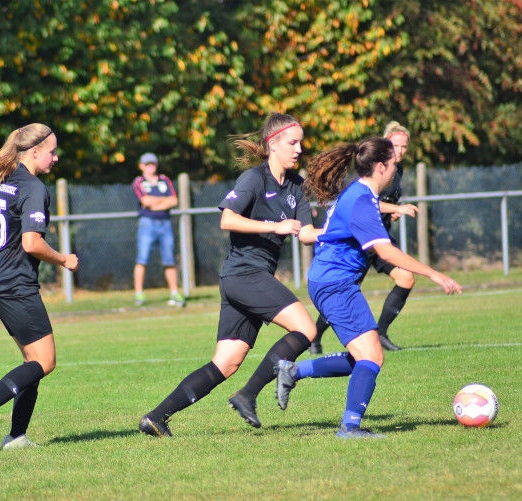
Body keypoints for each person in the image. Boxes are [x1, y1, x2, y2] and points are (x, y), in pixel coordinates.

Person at [138, 112, 317, 437]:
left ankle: (156, 417)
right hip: (243, 274)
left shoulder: (296, 186)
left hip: (250, 279)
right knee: (306, 328)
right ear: (272, 144)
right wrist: (274, 226)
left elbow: (305, 233)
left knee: (227, 362)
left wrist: (338, 231)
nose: (299, 149)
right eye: (293, 142)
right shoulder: (254, 178)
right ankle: (248, 395)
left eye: (301, 142)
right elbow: (227, 220)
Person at [275, 137, 462, 438]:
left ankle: (294, 371)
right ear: (380, 167)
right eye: (393, 163)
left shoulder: (360, 192)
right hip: (335, 283)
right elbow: (386, 252)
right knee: (372, 357)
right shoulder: (362, 201)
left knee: (364, 355)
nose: (396, 167)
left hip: (331, 280)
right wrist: (434, 274)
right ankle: (350, 427)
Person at [0, 123, 79, 449]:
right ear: (36, 151)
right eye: (52, 151)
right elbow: (32, 243)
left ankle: (17, 436)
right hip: (15, 284)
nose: (56, 158)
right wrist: (64, 259)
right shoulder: (34, 188)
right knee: (45, 361)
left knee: (31, 360)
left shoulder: (7, 184)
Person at [309, 121, 418, 353]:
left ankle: (381, 333)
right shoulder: (371, 175)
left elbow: (382, 205)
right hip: (361, 242)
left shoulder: (396, 171)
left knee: (406, 278)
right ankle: (314, 336)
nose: (400, 151)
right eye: (395, 146)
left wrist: (393, 213)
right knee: (344, 295)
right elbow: (369, 204)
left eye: (404, 147)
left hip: (380, 237)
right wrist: (397, 209)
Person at [132, 152, 185, 307]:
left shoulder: (164, 180)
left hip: (165, 223)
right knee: (142, 258)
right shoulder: (139, 181)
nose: (151, 167)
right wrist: (163, 200)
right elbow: (145, 201)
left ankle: (174, 292)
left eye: (153, 164)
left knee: (169, 258)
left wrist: (155, 203)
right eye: (147, 164)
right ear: (142, 166)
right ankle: (139, 293)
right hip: (147, 223)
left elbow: (174, 200)